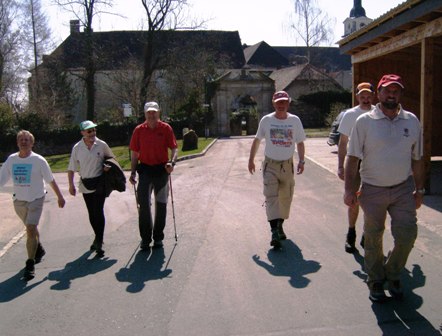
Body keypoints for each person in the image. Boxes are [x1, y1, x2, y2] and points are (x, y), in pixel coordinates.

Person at [344, 74, 424, 302]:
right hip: (372, 189)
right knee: (373, 236)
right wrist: (349, 189)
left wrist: (420, 190)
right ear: (378, 93)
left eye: (396, 91)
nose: (392, 94)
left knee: (407, 235)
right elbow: (352, 158)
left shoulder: (411, 120)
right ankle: (376, 280)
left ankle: (393, 271)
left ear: (400, 94)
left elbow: (417, 158)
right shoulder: (364, 122)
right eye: (387, 90)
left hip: (403, 188)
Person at [0, 130, 65, 280]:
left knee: (30, 228)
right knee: (31, 228)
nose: (24, 142)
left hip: (36, 198)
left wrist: (60, 197)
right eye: (21, 140)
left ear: (32, 143)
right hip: (19, 201)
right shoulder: (11, 160)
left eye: (27, 140)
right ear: (17, 143)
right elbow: (1, 179)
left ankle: (30, 264)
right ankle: (39, 249)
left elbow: (50, 180)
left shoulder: (39, 160)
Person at [248, 91, 306, 249]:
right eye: (278, 102)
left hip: (287, 166)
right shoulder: (266, 120)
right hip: (270, 166)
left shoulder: (295, 121)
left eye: (284, 102)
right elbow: (257, 140)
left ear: (288, 103)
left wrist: (301, 161)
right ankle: (274, 231)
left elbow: (300, 142)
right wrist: (251, 160)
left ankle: (280, 225)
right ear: (273, 104)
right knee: (271, 197)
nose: (281, 105)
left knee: (285, 198)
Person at [129, 101, 178, 250]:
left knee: (161, 205)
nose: (151, 115)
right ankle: (145, 238)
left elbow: (174, 148)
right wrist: (132, 172)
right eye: (149, 112)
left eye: (154, 112)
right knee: (143, 206)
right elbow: (135, 153)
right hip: (145, 171)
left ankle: (158, 237)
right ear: (145, 114)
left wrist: (172, 162)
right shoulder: (139, 130)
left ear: (159, 113)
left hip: (161, 171)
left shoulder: (166, 128)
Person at [337, 82, 375, 253]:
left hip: (374, 163)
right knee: (353, 200)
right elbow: (343, 142)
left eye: (368, 96)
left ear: (373, 96)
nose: (365, 99)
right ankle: (351, 233)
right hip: (355, 162)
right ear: (357, 96)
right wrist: (340, 166)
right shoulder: (350, 115)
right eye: (362, 96)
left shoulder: (378, 113)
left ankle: (367, 235)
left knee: (372, 201)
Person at [68, 120, 115, 256]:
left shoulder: (101, 145)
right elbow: (71, 168)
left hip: (100, 182)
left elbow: (112, 158)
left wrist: (107, 166)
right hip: (85, 184)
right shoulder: (77, 148)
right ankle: (97, 237)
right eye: (89, 131)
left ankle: (99, 241)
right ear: (82, 133)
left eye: (94, 130)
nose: (92, 133)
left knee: (98, 210)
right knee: (92, 213)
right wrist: (71, 185)